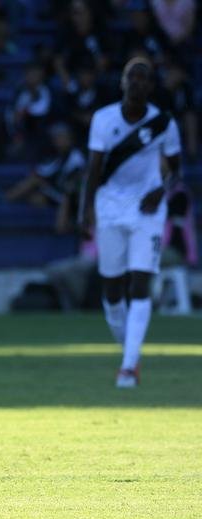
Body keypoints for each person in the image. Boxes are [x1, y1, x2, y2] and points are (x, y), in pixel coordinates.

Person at [79, 57, 182, 388]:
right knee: (112, 291)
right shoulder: (103, 119)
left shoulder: (164, 123)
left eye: (144, 78)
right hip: (109, 209)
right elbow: (94, 169)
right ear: (122, 83)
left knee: (140, 284)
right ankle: (131, 355)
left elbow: (176, 168)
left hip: (146, 212)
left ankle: (127, 368)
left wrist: (160, 190)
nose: (137, 83)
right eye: (131, 77)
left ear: (151, 86)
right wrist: (86, 211)